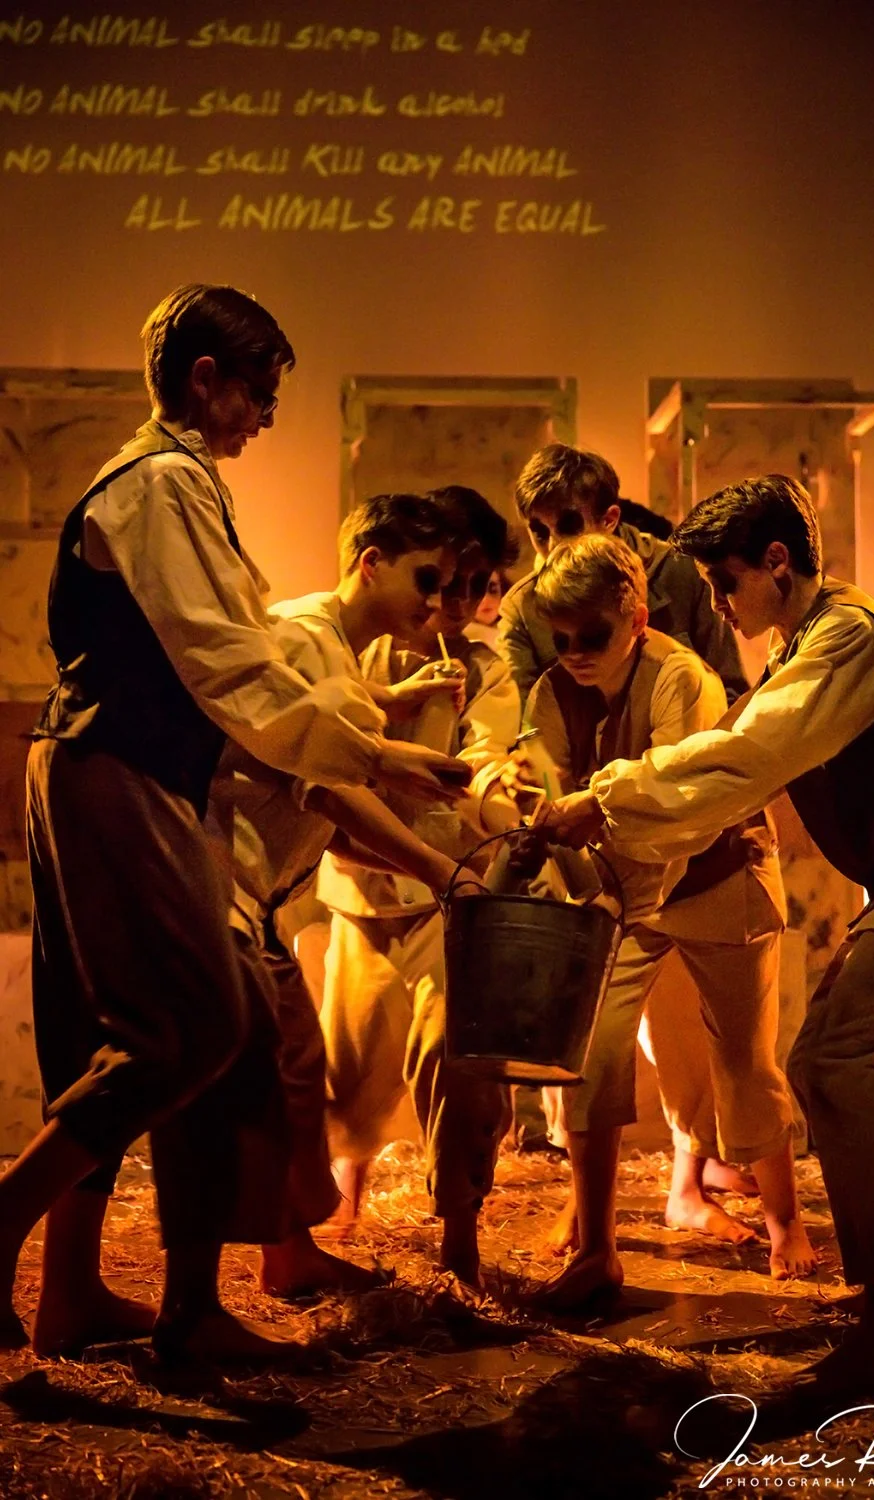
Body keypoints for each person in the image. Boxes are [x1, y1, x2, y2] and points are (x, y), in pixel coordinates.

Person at [2, 284, 467, 1361]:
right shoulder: (163, 482)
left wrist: (375, 731)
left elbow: (229, 662)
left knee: (107, 1038)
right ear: (206, 380)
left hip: (107, 761)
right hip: (121, 765)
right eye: (258, 392)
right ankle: (42, 1239)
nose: (265, 415)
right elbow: (227, 665)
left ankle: (81, 1297)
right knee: (201, 1023)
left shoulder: (174, 483)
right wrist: (380, 752)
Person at [538, 474, 874, 1395]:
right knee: (834, 1067)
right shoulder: (804, 648)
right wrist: (620, 810)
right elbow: (733, 765)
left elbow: (747, 756)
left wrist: (607, 796)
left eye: (724, 581)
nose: (715, 603)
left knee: (834, 1066)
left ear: (776, 563)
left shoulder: (849, 639)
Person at [523, 535, 812, 1309]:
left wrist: (595, 835)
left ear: (639, 619)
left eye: (595, 636)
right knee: (597, 1049)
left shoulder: (682, 678)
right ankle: (596, 1245)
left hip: (718, 875)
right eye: (562, 637)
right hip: (623, 889)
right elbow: (539, 784)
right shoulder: (554, 690)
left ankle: (785, 1221)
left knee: (743, 1055)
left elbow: (683, 812)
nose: (576, 653)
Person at [211, 490, 479, 1301]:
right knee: (277, 1066)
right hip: (224, 883)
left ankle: (287, 1251)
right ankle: (258, 1264)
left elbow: (331, 792)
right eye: (423, 579)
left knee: (289, 1064)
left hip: (254, 892)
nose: (437, 603)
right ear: (369, 563)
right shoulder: (304, 637)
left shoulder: (333, 650)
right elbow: (327, 785)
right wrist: (438, 870)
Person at [318, 486, 523, 1287]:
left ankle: (459, 1226)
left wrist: (496, 794)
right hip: (361, 893)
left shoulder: (487, 669)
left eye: (475, 587)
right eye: (444, 583)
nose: (457, 604)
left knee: (458, 1053)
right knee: (353, 1062)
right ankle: (347, 1197)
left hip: (450, 892)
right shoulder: (359, 646)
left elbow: (490, 760)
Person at [497, 444, 746, 707]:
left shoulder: (680, 572)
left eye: (569, 526)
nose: (553, 544)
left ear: (609, 519)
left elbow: (731, 693)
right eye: (539, 531)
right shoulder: (523, 606)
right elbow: (523, 724)